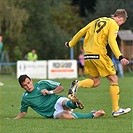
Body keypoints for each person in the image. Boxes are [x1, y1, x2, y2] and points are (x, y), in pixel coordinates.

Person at [65, 9, 131, 117]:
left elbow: (82, 31)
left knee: (95, 82)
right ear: (120, 18)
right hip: (99, 54)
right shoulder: (113, 24)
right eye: (121, 22)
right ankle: (116, 109)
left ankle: (78, 84)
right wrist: (120, 56)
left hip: (88, 55)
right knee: (114, 79)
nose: (120, 24)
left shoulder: (97, 20)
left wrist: (71, 44)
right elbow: (111, 40)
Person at [14, 74, 105, 119]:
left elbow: (61, 88)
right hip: (52, 113)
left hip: (57, 101)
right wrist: (14, 119)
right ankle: (93, 114)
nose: (28, 86)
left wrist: (49, 92)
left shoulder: (42, 83)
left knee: (65, 103)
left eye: (28, 83)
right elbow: (23, 112)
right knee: (66, 116)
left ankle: (74, 103)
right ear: (22, 87)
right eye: (25, 85)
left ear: (31, 80)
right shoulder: (25, 98)